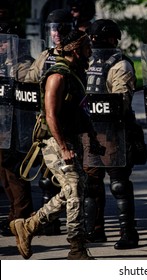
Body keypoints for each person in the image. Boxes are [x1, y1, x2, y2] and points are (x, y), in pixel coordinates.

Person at [9, 29, 94, 260]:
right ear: (75, 50)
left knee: (71, 189)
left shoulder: (77, 72)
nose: (91, 51)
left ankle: (28, 226)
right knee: (75, 189)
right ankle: (77, 248)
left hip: (70, 139)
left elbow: (79, 110)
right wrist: (64, 148)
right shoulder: (57, 76)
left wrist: (92, 138)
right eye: (87, 46)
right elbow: (50, 116)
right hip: (54, 141)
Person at [83, 19, 139, 250]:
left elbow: (121, 102)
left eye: (101, 38)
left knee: (119, 184)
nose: (96, 43)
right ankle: (94, 231)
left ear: (114, 39)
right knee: (91, 183)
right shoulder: (86, 62)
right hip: (90, 132)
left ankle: (128, 233)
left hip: (114, 131)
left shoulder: (120, 65)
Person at [24, 9, 74, 236]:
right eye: (51, 30)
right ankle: (47, 224)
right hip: (47, 127)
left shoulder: (76, 54)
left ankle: (89, 228)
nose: (54, 34)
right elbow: (30, 76)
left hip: (71, 126)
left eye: (57, 29)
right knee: (48, 180)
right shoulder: (46, 55)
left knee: (77, 183)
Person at [0, 21, 34, 236]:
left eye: (4, 42)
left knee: (15, 174)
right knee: (4, 175)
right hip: (2, 125)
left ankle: (21, 217)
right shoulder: (2, 64)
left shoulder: (24, 65)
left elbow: (27, 97)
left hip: (15, 127)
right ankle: (13, 215)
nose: (1, 46)